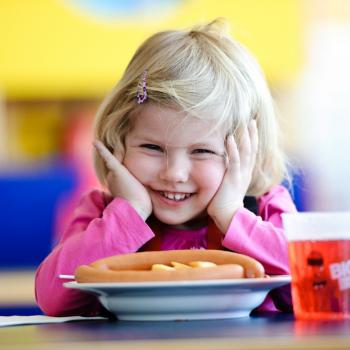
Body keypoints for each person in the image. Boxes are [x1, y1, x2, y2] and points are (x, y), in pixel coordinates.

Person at [35, 18, 297, 317]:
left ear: (248, 154)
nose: (174, 174)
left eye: (202, 151)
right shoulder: (102, 214)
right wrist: (128, 214)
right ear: (117, 139)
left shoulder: (264, 211)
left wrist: (232, 216)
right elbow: (52, 297)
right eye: (152, 148)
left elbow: (319, 286)